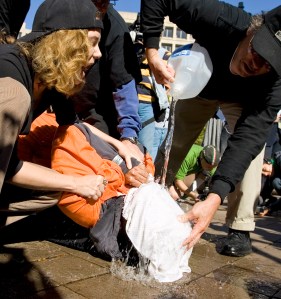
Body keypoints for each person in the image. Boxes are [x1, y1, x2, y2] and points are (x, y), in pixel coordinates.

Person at [141, 0, 281, 255]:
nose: (257, 65)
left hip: (243, 100)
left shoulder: (273, 85)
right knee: (177, 140)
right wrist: (151, 52)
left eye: (269, 64)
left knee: (252, 154)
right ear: (252, 30)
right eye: (258, 51)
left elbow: (248, 138)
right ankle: (149, 196)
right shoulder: (221, 19)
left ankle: (240, 226)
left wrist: (214, 197)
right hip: (202, 82)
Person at [0, 0, 108, 226]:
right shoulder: (12, 84)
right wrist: (75, 183)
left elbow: (74, 124)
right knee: (65, 183)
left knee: (53, 187)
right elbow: (5, 168)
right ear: (66, 43)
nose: (98, 53)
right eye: (93, 43)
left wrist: (121, 148)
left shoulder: (49, 79)